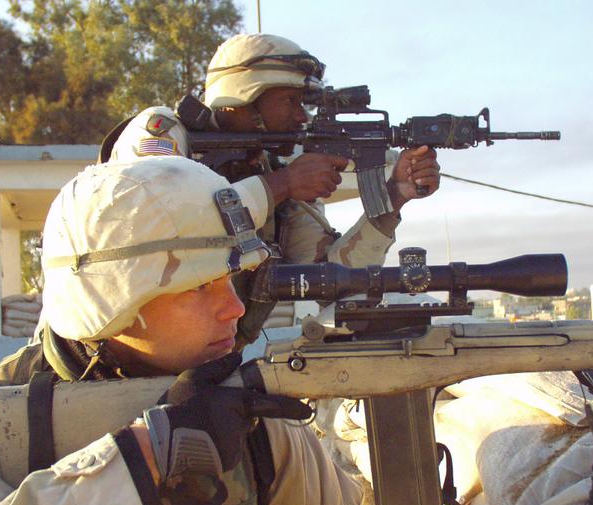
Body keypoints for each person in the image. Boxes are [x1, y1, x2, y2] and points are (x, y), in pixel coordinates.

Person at [0, 157, 371, 505]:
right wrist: (148, 454)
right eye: (202, 285)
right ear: (114, 298)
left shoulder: (253, 421)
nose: (235, 308)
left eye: (232, 281)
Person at [100, 33, 441, 348]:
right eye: (290, 101)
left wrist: (394, 195)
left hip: (214, 362)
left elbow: (334, 281)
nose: (301, 117)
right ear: (245, 96)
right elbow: (148, 224)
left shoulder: (274, 177)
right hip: (118, 356)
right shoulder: (163, 132)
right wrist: (281, 186)